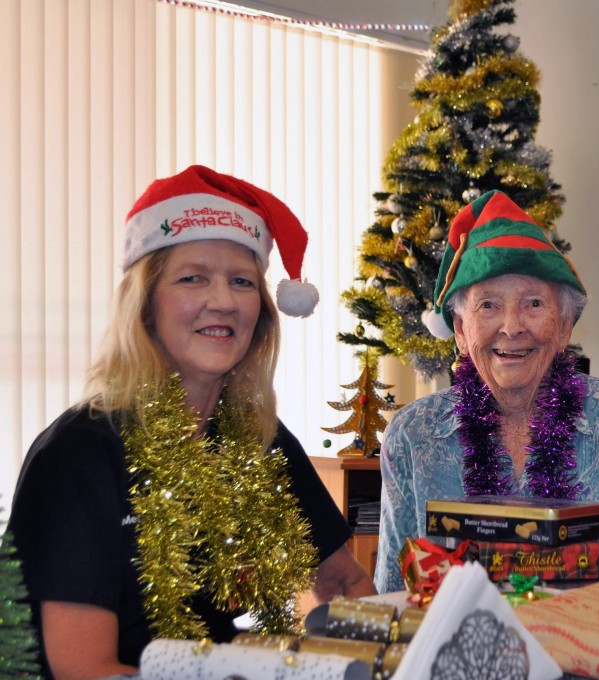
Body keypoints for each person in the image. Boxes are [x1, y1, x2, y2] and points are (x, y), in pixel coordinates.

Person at [8, 165, 376, 680]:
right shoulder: (80, 452)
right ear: (145, 306)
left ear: (262, 314)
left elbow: (345, 584)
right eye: (192, 277)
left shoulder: (258, 440)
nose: (222, 300)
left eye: (242, 281)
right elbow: (83, 669)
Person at [374, 190, 599, 593]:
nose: (511, 327)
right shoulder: (412, 435)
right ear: (460, 331)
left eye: (533, 304)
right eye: (488, 305)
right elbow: (394, 592)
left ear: (564, 327)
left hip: (589, 649)